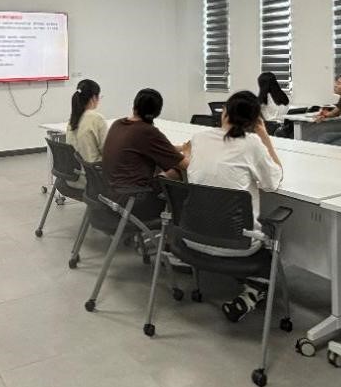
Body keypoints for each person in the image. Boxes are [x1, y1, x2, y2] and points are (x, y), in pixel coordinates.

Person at [186, 91, 284, 323]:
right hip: (237, 245)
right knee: (273, 235)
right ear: (255, 121)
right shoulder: (252, 144)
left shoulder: (199, 138)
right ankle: (254, 288)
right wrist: (264, 136)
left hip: (192, 237)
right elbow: (273, 182)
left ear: (224, 112)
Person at [101, 88, 189, 222]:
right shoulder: (147, 131)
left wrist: (180, 148)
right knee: (176, 172)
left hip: (109, 196)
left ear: (134, 106)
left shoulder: (118, 124)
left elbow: (153, 148)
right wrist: (187, 152)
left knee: (161, 170)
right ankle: (182, 223)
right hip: (133, 202)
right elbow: (185, 165)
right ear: (157, 112)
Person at [64, 79, 108, 188]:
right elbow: (107, 152)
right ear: (94, 98)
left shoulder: (72, 119)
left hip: (73, 178)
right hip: (92, 179)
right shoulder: (97, 118)